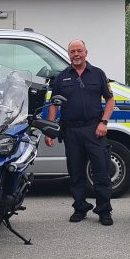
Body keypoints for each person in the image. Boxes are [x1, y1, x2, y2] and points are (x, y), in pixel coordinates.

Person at [45, 40, 115, 225]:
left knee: (101, 171)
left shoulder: (98, 74)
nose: (76, 54)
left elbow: (110, 100)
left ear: (86, 53)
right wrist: (50, 130)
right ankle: (80, 208)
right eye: (72, 52)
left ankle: (104, 210)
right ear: (69, 55)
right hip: (71, 131)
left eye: (79, 51)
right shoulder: (61, 77)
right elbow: (54, 104)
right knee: (76, 173)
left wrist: (104, 122)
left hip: (95, 129)